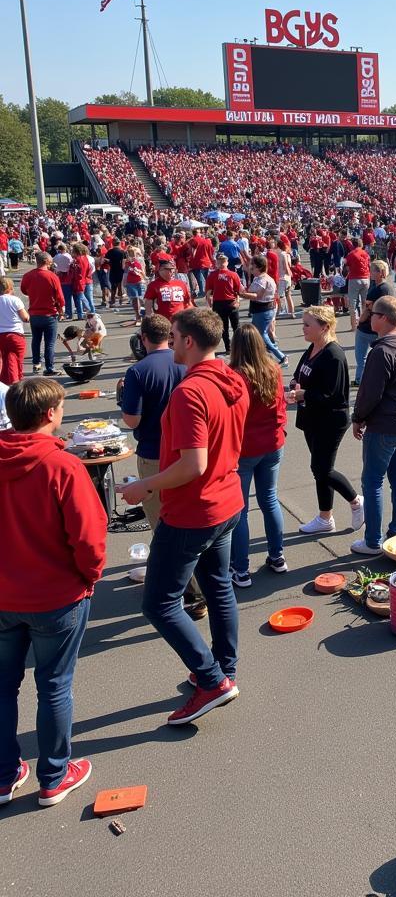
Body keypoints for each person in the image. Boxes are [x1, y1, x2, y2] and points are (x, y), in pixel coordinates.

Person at [119, 308, 249, 726]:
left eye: (173, 336)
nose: (169, 342)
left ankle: (213, 681)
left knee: (159, 603)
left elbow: (193, 464)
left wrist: (146, 486)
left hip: (195, 509)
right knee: (217, 587)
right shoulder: (232, 379)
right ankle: (222, 670)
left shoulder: (191, 392)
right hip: (226, 502)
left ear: (188, 341)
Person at [0, 377, 107, 807]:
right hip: (57, 597)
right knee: (54, 685)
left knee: (4, 687)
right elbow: (89, 538)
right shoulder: (63, 467)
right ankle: (54, 775)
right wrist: (89, 577)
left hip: (5, 598)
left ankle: (6, 774)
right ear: (50, 414)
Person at [118, 314, 206, 621]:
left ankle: (193, 593)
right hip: (190, 452)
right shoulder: (186, 362)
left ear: (143, 339)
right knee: (191, 522)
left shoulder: (138, 371)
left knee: (165, 526)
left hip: (155, 456)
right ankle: (202, 586)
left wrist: (122, 399)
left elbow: (132, 420)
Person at [350, 296, 396, 555]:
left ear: (385, 318)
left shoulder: (380, 352)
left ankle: (372, 542)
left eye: (372, 313)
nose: (369, 317)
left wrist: (358, 418)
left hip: (385, 425)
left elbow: (369, 394)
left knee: (372, 481)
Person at [288, 305, 364, 534]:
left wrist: (304, 394)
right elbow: (299, 374)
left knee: (322, 468)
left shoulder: (333, 355)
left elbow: (333, 395)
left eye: (307, 325)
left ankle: (357, 501)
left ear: (325, 327)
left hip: (330, 420)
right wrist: (294, 386)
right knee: (320, 469)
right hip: (312, 418)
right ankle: (325, 517)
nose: (303, 329)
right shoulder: (312, 348)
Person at [228, 324, 288, 587]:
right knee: (269, 500)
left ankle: (241, 569)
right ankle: (277, 556)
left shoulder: (235, 375)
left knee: (239, 510)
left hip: (245, 449)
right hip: (273, 444)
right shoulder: (273, 368)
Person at [353, 260, 396, 385]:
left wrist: (359, 321)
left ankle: (360, 379)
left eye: (372, 270)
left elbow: (367, 310)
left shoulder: (375, 290)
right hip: (384, 327)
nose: (370, 273)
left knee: (362, 358)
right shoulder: (391, 289)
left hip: (368, 328)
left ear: (379, 273)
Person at [240, 254, 288, 366]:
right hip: (262, 309)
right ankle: (259, 356)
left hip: (263, 309)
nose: (251, 268)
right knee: (257, 334)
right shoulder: (259, 278)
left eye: (253, 266)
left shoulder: (263, 280)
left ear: (258, 267)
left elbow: (258, 296)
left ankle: (281, 356)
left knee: (261, 334)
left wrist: (242, 294)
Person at [21, 251, 63, 376]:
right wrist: (61, 310)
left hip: (34, 312)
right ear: (46, 262)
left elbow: (24, 289)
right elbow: (60, 296)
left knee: (36, 339)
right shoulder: (52, 276)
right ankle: (49, 367)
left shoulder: (28, 275)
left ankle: (36, 363)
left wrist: (33, 293)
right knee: (49, 342)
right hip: (49, 313)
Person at [205, 253, 243, 355]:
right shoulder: (212, 275)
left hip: (231, 302)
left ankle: (239, 347)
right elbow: (208, 292)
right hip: (218, 303)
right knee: (223, 328)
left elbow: (238, 290)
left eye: (223, 261)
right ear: (216, 262)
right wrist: (210, 302)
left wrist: (238, 301)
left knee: (236, 327)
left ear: (227, 262)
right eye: (219, 261)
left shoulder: (233, 274)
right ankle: (228, 347)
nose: (221, 263)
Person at [0, 277, 28, 385]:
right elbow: (25, 318)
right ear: (10, 288)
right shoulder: (15, 300)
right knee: (17, 360)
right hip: (15, 334)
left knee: (4, 361)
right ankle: (17, 383)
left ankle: (4, 384)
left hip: (1, 335)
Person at [344, 238, 371, 331]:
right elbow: (369, 265)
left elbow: (346, 268)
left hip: (354, 278)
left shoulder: (350, 254)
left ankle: (354, 325)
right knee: (365, 302)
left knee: (353, 302)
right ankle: (365, 322)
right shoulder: (365, 253)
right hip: (366, 278)